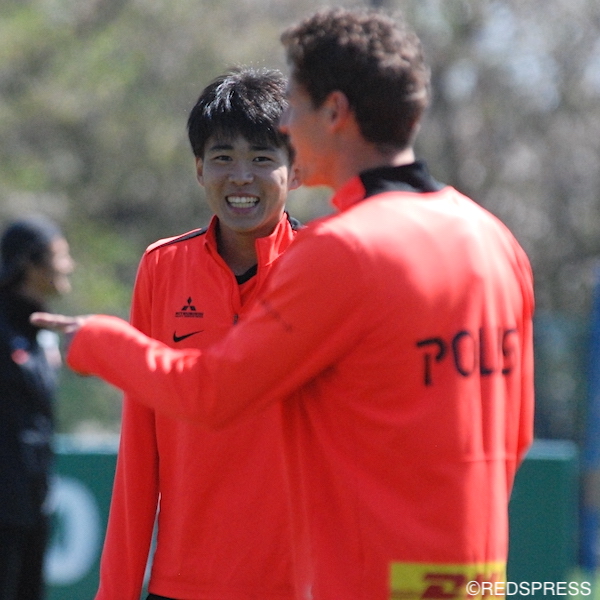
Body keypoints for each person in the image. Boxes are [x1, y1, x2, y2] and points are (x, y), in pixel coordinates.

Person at [32, 7, 535, 600]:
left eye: (294, 107)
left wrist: (98, 340)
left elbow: (213, 393)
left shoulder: (343, 250)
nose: (288, 126)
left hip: (367, 583)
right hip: (467, 582)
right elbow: (515, 435)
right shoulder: (493, 238)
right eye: (224, 156)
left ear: (334, 112)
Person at [90, 68, 301, 600]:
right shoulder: (162, 266)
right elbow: (139, 444)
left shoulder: (328, 267)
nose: (241, 177)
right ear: (199, 169)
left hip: (302, 583)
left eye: (262, 158)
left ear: (296, 171)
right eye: (223, 157)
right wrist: (116, 590)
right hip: (183, 583)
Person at [0, 216, 74, 600]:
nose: (68, 266)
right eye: (60, 255)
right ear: (31, 264)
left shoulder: (41, 329)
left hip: (32, 501)